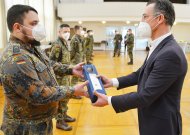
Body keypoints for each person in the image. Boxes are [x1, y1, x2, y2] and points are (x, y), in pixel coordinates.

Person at [92, 1, 187, 135]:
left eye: (144, 17)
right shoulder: (159, 46)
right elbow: (140, 74)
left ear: (159, 19)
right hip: (151, 118)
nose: (141, 21)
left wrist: (109, 100)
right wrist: (112, 82)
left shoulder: (170, 53)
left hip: (161, 125)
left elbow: (145, 96)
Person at [0, 5, 88, 135]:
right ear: (18, 27)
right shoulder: (16, 58)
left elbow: (48, 64)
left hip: (40, 122)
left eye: (38, 23)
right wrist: (73, 90)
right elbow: (38, 94)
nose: (39, 28)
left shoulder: (31, 47)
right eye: (34, 23)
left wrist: (71, 70)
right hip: (25, 127)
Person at [49, 24, 75, 131]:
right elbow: (51, 62)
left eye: (68, 31)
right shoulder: (57, 44)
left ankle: (64, 115)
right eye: (65, 31)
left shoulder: (65, 43)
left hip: (66, 75)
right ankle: (59, 121)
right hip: (59, 77)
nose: (67, 33)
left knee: (66, 97)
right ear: (59, 32)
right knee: (60, 99)